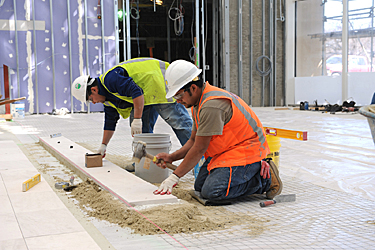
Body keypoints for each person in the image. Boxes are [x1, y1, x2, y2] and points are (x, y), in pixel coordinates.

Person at [153, 59, 282, 202]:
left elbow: (199, 149)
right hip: (227, 151)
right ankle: (253, 174)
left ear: (193, 88)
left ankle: (264, 181)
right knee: (200, 187)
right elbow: (193, 141)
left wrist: (174, 177)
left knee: (212, 192)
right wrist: (172, 157)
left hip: (246, 151)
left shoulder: (211, 105)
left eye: (178, 95)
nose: (178, 101)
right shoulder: (199, 102)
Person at [72, 58, 193, 171]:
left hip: (158, 82)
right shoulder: (107, 100)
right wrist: (103, 146)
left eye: (90, 99)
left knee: (179, 123)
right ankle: (144, 165)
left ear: (94, 89)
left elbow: (136, 91)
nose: (93, 102)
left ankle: (199, 160)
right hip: (145, 93)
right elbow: (110, 123)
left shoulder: (110, 80)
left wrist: (137, 119)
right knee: (140, 131)